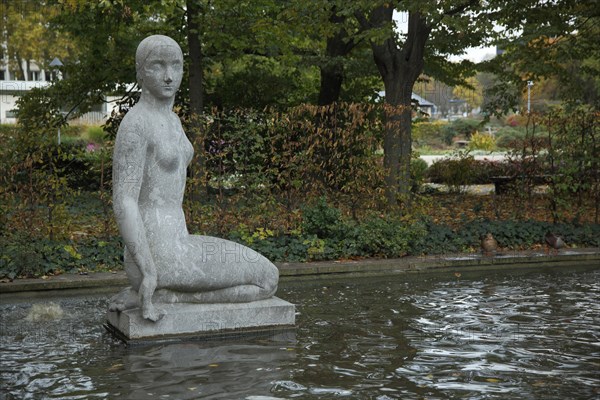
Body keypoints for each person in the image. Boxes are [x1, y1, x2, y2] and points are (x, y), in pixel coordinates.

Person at [109, 35, 278, 321]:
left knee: (268, 278)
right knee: (266, 279)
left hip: (179, 243)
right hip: (156, 252)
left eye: (176, 65)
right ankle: (155, 285)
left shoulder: (172, 120)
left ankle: (167, 295)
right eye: (157, 66)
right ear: (140, 72)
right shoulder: (136, 124)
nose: (168, 76)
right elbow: (124, 201)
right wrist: (147, 268)